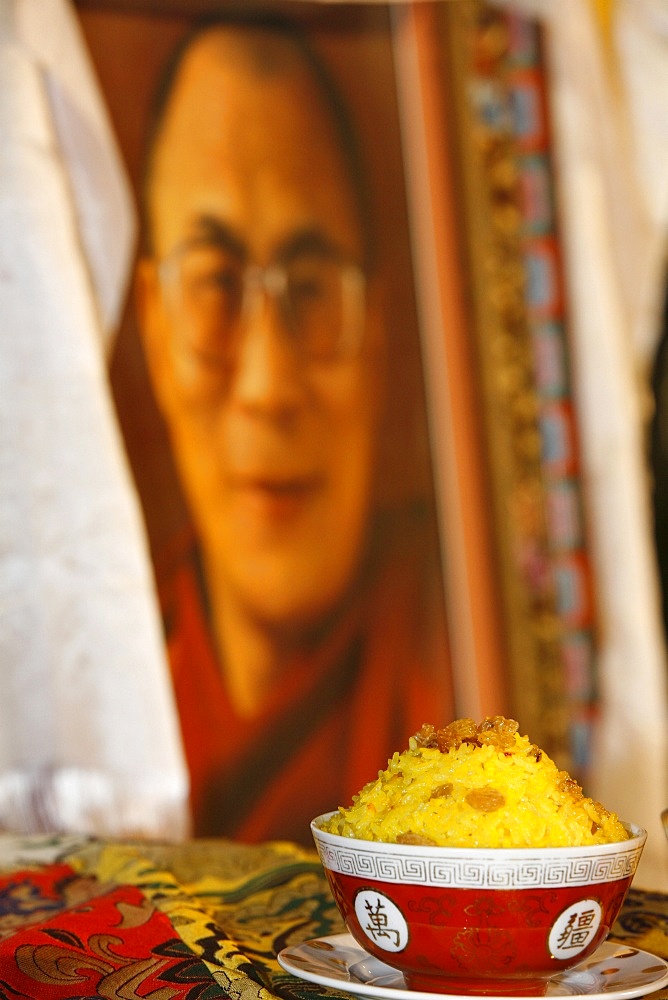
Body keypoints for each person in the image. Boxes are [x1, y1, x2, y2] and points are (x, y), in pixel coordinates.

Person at [135, 11, 453, 844]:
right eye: (214, 285)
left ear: (377, 337)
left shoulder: (473, 652)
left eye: (311, 289)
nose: (268, 386)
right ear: (155, 335)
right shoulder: (92, 693)